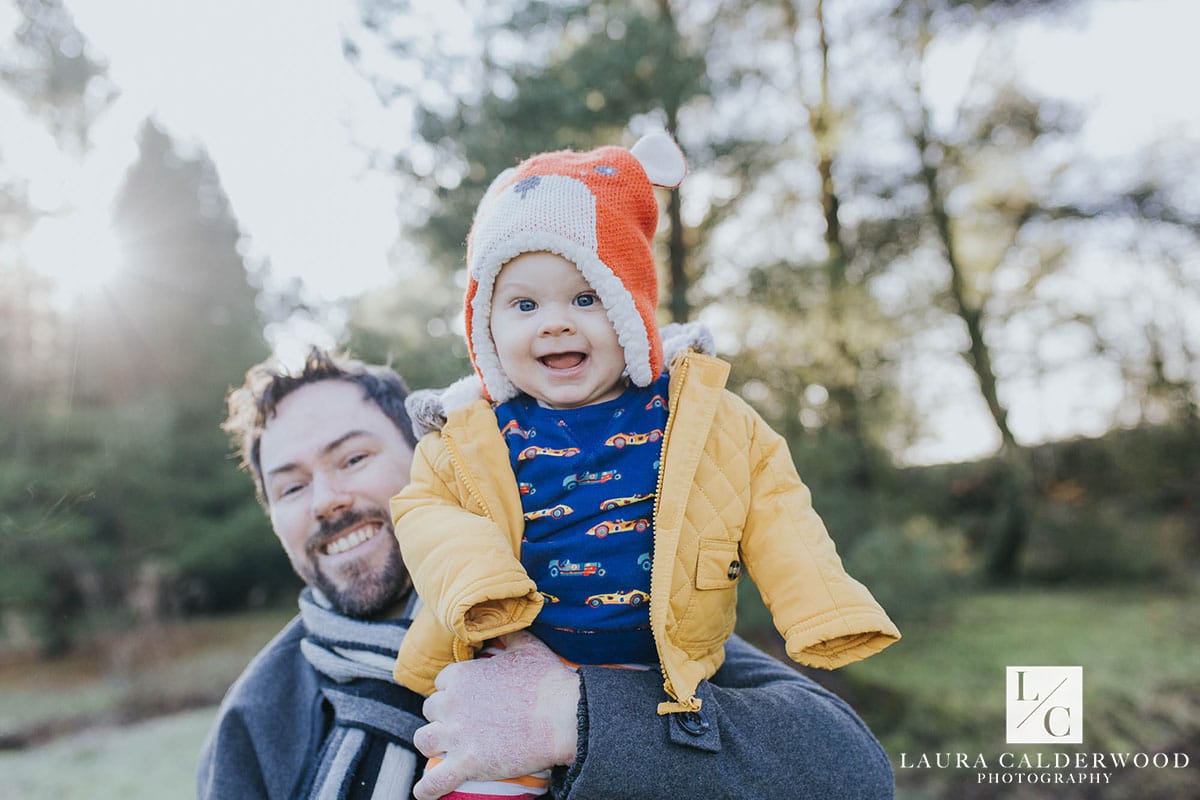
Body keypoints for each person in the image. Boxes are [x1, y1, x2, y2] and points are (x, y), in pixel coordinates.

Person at [389, 133, 901, 799]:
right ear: (486, 325)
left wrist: (821, 609)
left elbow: (776, 508)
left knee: (658, 777)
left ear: (631, 308)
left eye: (585, 298)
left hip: (662, 674)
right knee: (476, 781)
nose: (554, 324)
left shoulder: (696, 415)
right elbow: (424, 513)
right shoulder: (469, 434)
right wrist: (480, 586)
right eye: (523, 304)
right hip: (506, 659)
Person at [197, 347, 897, 799]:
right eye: (291, 487)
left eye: (353, 459)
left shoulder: (596, 598)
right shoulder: (259, 718)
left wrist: (576, 716)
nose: (327, 500)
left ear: (430, 454)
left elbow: (851, 774)